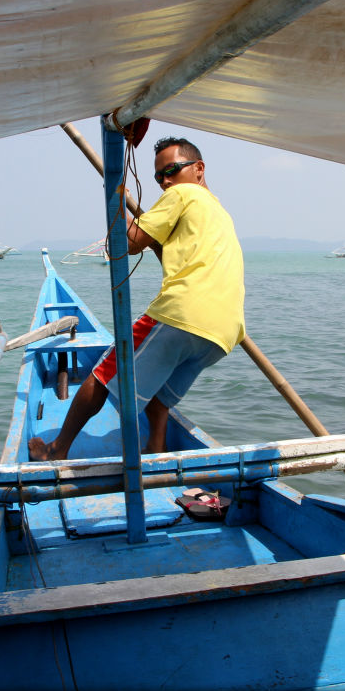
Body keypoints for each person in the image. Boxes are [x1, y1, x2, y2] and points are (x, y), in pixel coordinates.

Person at [28, 137, 245, 461]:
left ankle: (56, 450)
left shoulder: (182, 195)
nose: (165, 182)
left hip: (182, 313)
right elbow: (169, 249)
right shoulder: (219, 212)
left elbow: (129, 242)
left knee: (103, 374)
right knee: (161, 391)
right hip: (226, 331)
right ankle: (156, 446)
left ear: (198, 169)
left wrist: (117, 197)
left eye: (172, 170)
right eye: (159, 177)